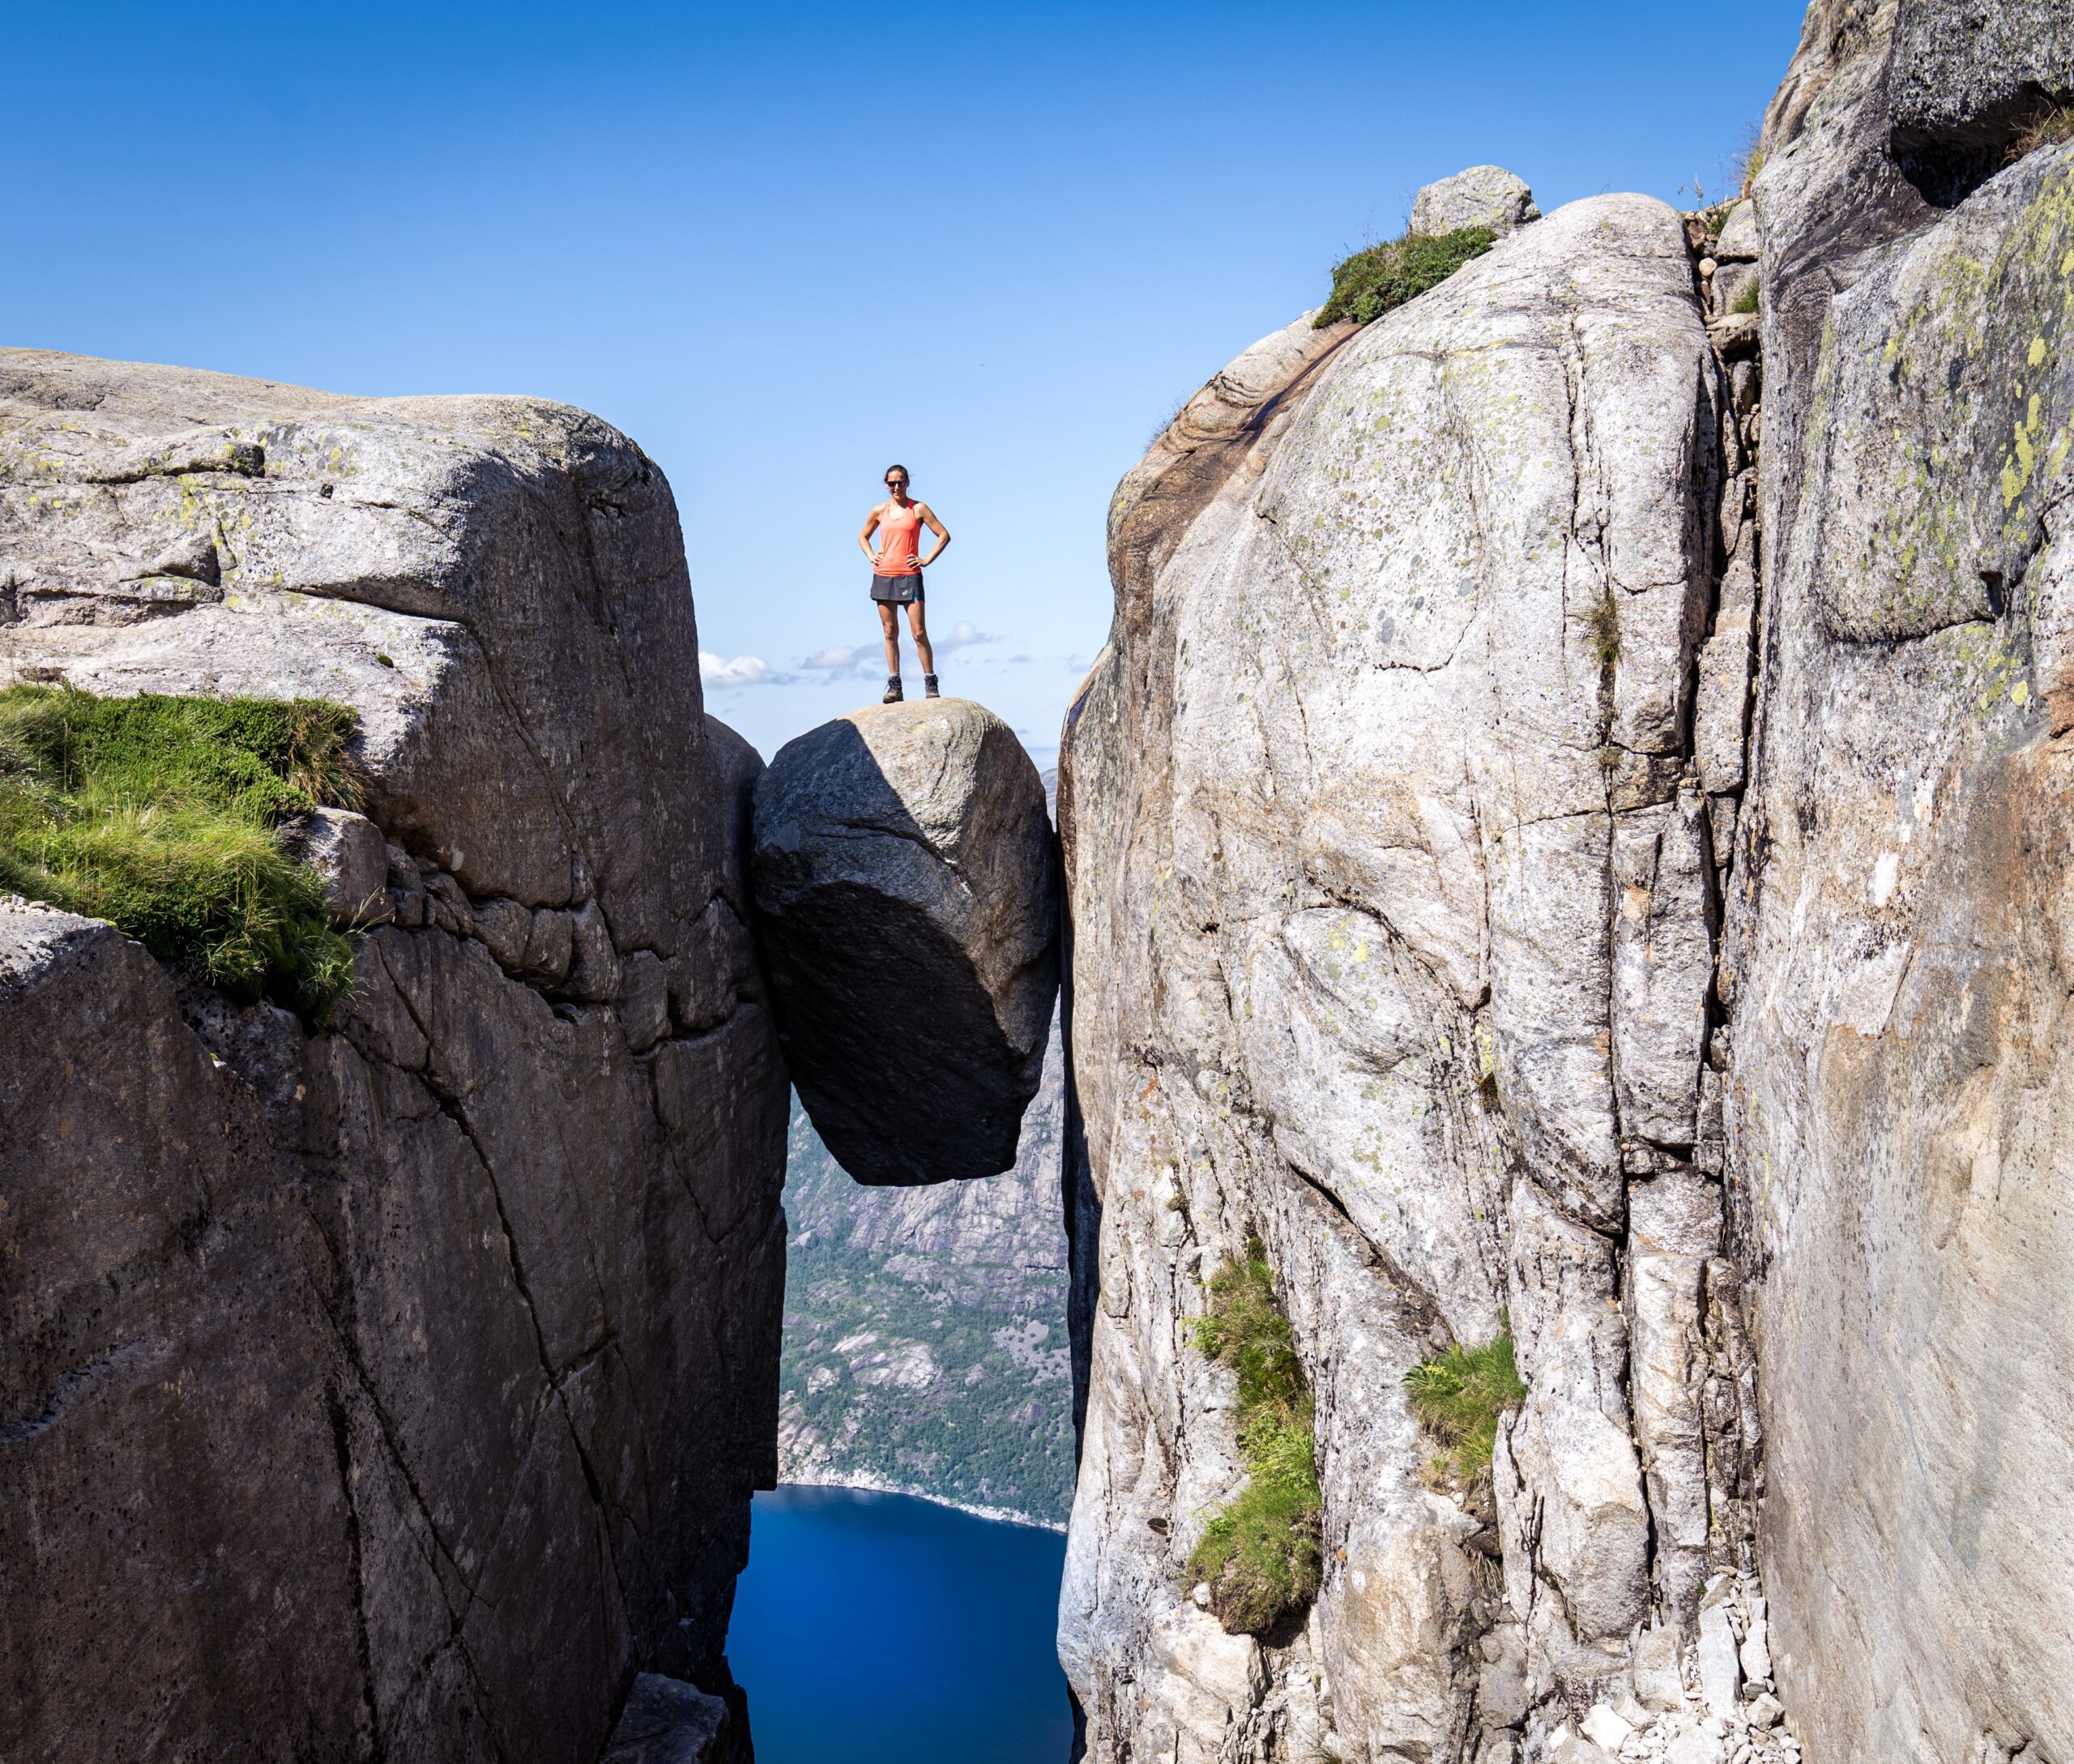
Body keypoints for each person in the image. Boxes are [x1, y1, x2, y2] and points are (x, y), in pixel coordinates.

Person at [857, 463, 950, 703]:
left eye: (900, 482)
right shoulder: (879, 511)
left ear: (908, 482)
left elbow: (943, 535)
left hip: (910, 575)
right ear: (886, 485)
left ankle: (930, 682)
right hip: (883, 575)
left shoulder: (918, 509)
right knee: (890, 632)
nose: (896, 487)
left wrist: (926, 559)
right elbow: (862, 536)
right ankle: (894, 686)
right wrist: (871, 555)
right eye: (891, 483)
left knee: (918, 632)